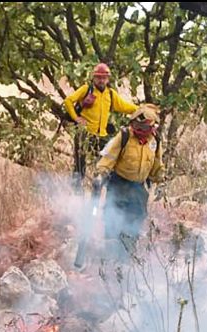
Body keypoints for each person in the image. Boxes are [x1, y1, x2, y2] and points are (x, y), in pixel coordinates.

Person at [92, 103, 167, 259]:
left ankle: (126, 260)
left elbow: (157, 165)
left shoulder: (155, 141)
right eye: (136, 126)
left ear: (151, 128)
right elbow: (108, 158)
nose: (139, 130)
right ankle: (109, 260)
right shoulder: (124, 136)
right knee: (113, 220)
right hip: (118, 185)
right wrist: (100, 175)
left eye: (143, 128)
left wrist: (161, 182)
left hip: (138, 189)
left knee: (134, 223)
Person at [63, 63, 138, 190]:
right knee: (79, 168)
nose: (101, 80)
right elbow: (68, 101)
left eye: (104, 78)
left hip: (102, 136)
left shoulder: (111, 94)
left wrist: (142, 109)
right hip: (84, 134)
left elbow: (125, 107)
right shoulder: (87, 89)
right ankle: (76, 197)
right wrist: (76, 118)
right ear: (94, 78)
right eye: (98, 77)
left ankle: (98, 196)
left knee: (105, 167)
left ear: (108, 79)